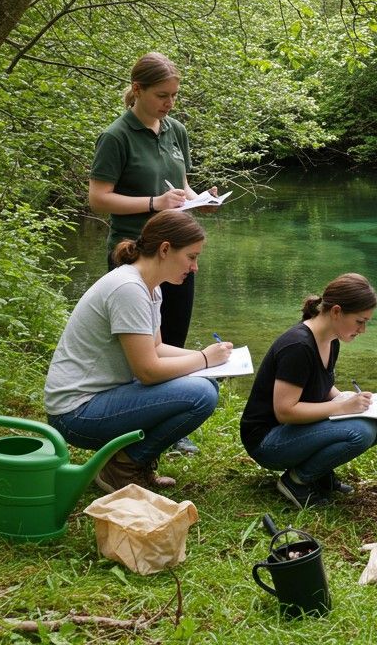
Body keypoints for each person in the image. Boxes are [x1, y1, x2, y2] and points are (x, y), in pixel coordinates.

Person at [44, 211, 233, 493]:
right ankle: (122, 468)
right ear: (165, 249)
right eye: (191, 257)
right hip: (75, 413)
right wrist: (204, 359)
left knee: (203, 384)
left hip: (100, 398)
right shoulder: (128, 288)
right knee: (201, 394)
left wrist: (212, 360)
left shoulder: (150, 287)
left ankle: (126, 461)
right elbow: (147, 372)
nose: (195, 267)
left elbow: (155, 348)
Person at [89, 52, 217, 455]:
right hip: (134, 252)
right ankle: (130, 420)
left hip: (176, 248)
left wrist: (201, 199)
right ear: (138, 90)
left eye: (174, 96)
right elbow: (98, 199)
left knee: (172, 334)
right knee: (138, 343)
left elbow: (179, 185)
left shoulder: (175, 129)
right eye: (162, 95)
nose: (169, 104)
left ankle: (169, 422)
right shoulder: (117, 136)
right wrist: (153, 203)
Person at [240, 273, 377, 508]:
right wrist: (341, 407)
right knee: (361, 432)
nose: (363, 330)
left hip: (293, 430)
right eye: (359, 321)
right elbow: (285, 411)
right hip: (268, 440)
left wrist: (348, 398)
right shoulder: (298, 346)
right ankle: (296, 481)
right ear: (336, 311)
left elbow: (319, 385)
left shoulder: (331, 339)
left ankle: (319, 473)